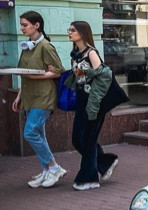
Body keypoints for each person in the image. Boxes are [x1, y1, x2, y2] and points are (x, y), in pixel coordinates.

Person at [11, 11, 67, 188]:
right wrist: (20, 96)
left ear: (37, 25)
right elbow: (24, 74)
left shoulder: (45, 46)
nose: (22, 28)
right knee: (39, 134)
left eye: (25, 25)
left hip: (44, 96)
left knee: (30, 132)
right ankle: (46, 171)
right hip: (29, 96)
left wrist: (38, 77)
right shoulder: (27, 47)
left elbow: (58, 71)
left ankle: (54, 167)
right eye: (21, 24)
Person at [65, 21, 119, 191]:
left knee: (87, 140)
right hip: (82, 99)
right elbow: (81, 77)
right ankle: (105, 162)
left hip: (94, 101)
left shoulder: (91, 53)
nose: (69, 32)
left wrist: (94, 101)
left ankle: (88, 179)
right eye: (69, 30)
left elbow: (103, 79)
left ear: (82, 33)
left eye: (73, 30)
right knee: (77, 139)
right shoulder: (76, 54)